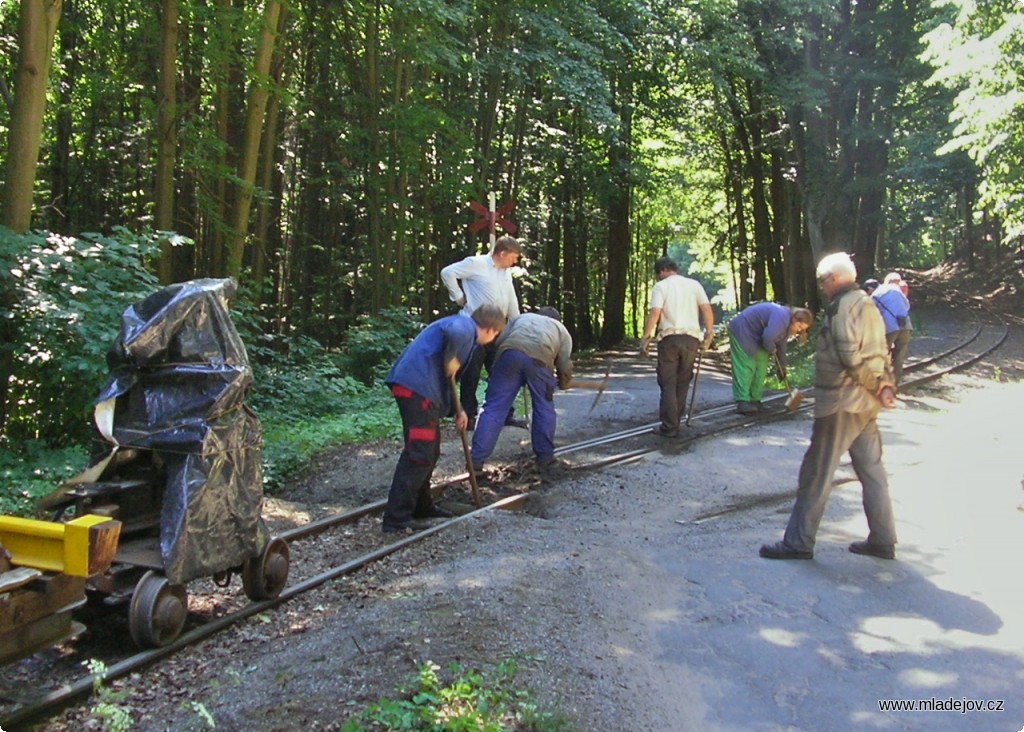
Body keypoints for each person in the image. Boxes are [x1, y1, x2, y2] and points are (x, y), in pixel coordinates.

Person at [760, 252, 898, 560]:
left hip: (841, 404)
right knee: (872, 471)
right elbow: (881, 350)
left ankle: (798, 542)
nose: (821, 288)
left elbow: (850, 355)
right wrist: (884, 384)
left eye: (823, 281)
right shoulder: (868, 302)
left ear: (835, 278)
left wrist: (876, 384)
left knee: (816, 472)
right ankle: (883, 539)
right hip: (865, 405)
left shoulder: (843, 306)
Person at [381, 305, 506, 533]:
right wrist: (453, 357)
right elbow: (455, 335)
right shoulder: (465, 327)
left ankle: (422, 506)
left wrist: (457, 411)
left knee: (431, 450)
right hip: (416, 388)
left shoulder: (465, 331)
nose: (493, 338)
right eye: (496, 334)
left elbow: (447, 378)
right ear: (489, 330)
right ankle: (396, 520)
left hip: (419, 389)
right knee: (419, 453)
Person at [471, 307, 574, 473]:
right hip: (541, 358)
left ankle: (476, 460)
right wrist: (564, 381)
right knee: (543, 406)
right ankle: (545, 457)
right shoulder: (561, 330)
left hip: (509, 355)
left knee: (493, 407)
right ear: (558, 319)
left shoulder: (521, 318)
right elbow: (564, 363)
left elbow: (499, 340)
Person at [440, 235, 523, 429]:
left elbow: (510, 299)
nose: (516, 261)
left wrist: (517, 323)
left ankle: (504, 413)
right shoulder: (476, 264)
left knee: (502, 371)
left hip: (498, 330)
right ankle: (468, 415)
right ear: (502, 253)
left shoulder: (505, 272)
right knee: (472, 373)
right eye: (514, 256)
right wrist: (459, 298)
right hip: (475, 328)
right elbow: (447, 273)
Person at [640, 256, 715, 437]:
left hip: (669, 339)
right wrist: (709, 333)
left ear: (663, 270)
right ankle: (676, 422)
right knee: (682, 382)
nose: (659, 277)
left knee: (667, 383)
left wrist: (646, 337)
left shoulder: (661, 287)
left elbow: (655, 312)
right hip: (691, 339)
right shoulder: (694, 285)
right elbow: (706, 309)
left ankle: (669, 426)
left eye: (659, 274)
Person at [727, 303, 813, 415]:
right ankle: (743, 401)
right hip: (743, 330)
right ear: (795, 319)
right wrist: (772, 350)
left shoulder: (787, 326)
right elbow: (768, 338)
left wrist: (782, 367)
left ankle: (755, 400)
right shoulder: (781, 318)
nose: (799, 331)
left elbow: (781, 345)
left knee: (761, 369)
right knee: (746, 367)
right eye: (800, 327)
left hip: (759, 336)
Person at [871, 272, 912, 384]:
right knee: (899, 356)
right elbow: (907, 306)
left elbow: (870, 311)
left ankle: (881, 381)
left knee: (882, 353)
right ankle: (895, 383)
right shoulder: (898, 290)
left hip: (889, 326)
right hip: (905, 325)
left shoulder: (876, 293)